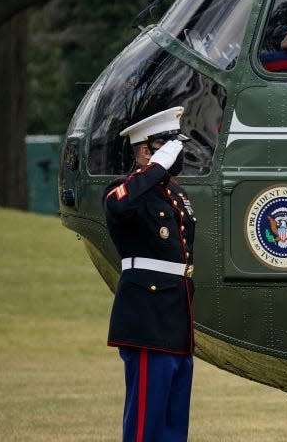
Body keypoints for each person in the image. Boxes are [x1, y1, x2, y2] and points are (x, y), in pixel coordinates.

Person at [103, 106, 197, 442]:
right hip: (147, 315)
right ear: (146, 150)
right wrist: (155, 168)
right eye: (168, 145)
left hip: (176, 314)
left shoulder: (175, 193)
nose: (178, 152)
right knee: (146, 422)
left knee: (173, 421)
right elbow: (118, 206)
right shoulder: (124, 189)